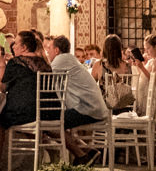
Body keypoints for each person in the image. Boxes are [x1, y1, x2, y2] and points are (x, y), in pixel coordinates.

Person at [0, 30, 54, 171]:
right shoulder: (45, 64)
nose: (13, 46)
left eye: (16, 44)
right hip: (48, 112)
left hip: (25, 113)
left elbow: (2, 88)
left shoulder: (15, 63)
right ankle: (49, 149)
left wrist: (1, 64)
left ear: (24, 47)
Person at [47, 35, 110, 163]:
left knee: (50, 124)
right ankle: (88, 151)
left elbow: (44, 77)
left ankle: (81, 155)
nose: (48, 52)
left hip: (87, 108)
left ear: (57, 50)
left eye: (49, 49)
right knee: (53, 121)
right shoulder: (69, 59)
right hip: (92, 107)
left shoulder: (61, 60)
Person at [93, 34, 136, 112]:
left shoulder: (99, 65)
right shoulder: (127, 65)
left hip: (106, 107)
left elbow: (91, 85)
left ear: (105, 49)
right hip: (125, 107)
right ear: (120, 48)